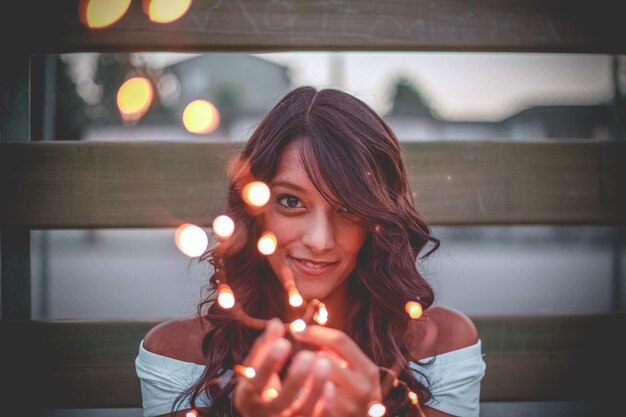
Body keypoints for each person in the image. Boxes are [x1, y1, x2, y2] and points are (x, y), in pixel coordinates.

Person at [135, 86, 486, 417]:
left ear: (379, 220)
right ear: (253, 210)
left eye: (348, 207)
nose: (320, 240)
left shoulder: (440, 345)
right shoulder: (179, 354)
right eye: (291, 201)